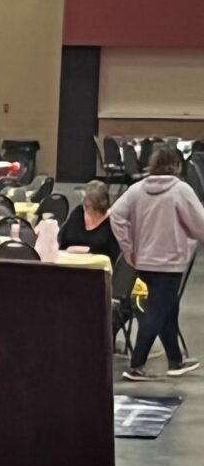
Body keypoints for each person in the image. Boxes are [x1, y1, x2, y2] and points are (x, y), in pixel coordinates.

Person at [111, 144, 204, 380]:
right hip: (170, 263)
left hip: (143, 262)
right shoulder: (180, 190)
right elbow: (199, 224)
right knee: (155, 312)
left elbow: (116, 216)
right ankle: (136, 365)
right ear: (176, 165)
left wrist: (128, 247)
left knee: (167, 310)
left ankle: (176, 360)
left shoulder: (136, 189)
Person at [62, 180, 119, 260]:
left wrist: (85, 250)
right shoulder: (78, 213)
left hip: (98, 269)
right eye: (86, 205)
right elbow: (62, 240)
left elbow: (114, 255)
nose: (86, 208)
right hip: (68, 265)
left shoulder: (112, 222)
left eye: (90, 207)